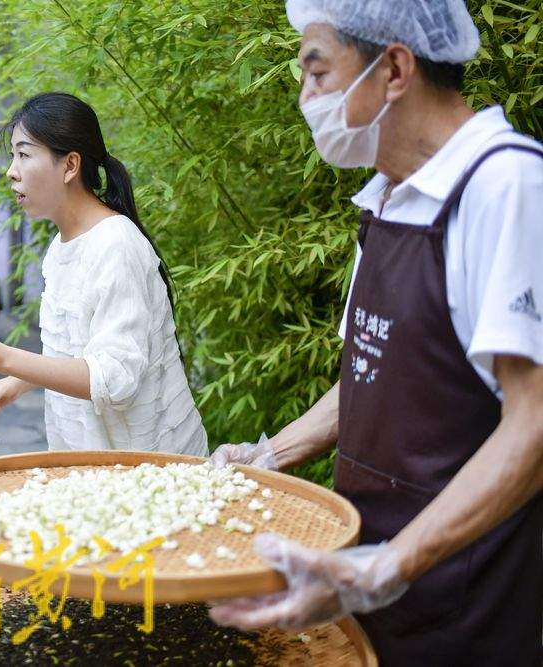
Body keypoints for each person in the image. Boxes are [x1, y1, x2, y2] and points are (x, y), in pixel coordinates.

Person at [208, 2, 542, 664]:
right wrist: (270, 455)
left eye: (317, 71)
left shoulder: (505, 185)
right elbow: (372, 373)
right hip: (363, 579)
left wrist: (391, 564)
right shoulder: (387, 195)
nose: (305, 98)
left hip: (463, 602)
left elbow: (533, 424)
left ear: (393, 67)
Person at [0, 93, 207, 457]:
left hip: (151, 472)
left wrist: (2, 357)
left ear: (69, 166)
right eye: (12, 156)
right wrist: (20, 380)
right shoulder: (61, 247)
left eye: (23, 154)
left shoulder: (116, 244)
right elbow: (78, 354)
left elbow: (115, 380)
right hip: (93, 464)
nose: (11, 171)